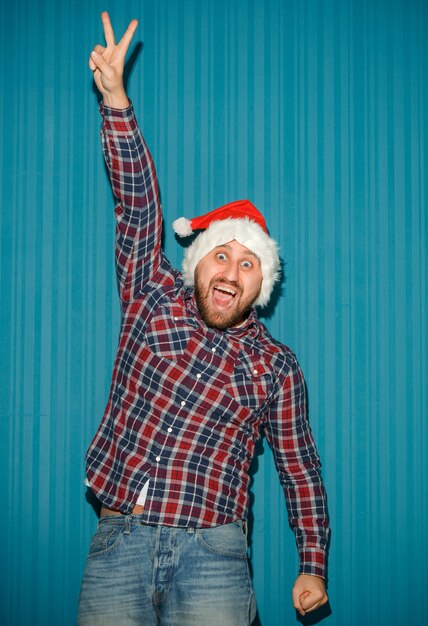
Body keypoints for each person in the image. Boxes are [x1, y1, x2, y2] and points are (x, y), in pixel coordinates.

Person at [78, 12, 330, 626]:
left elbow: (299, 467)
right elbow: (137, 207)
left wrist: (312, 564)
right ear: (195, 265)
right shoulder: (152, 296)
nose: (231, 270)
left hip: (214, 552)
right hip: (119, 543)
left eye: (249, 264)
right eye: (221, 253)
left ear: (260, 288)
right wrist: (116, 100)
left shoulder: (274, 364)